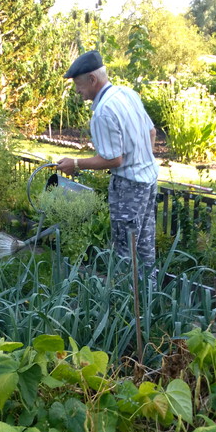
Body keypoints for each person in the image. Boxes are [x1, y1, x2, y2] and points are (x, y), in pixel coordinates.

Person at [57, 50, 158, 273]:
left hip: (128, 189)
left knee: (125, 254)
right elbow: (151, 132)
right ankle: (150, 302)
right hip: (149, 181)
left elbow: (114, 159)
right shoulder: (128, 93)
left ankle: (127, 305)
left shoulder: (103, 111)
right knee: (145, 250)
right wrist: (143, 161)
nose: (77, 91)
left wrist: (75, 163)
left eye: (78, 85)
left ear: (92, 79)